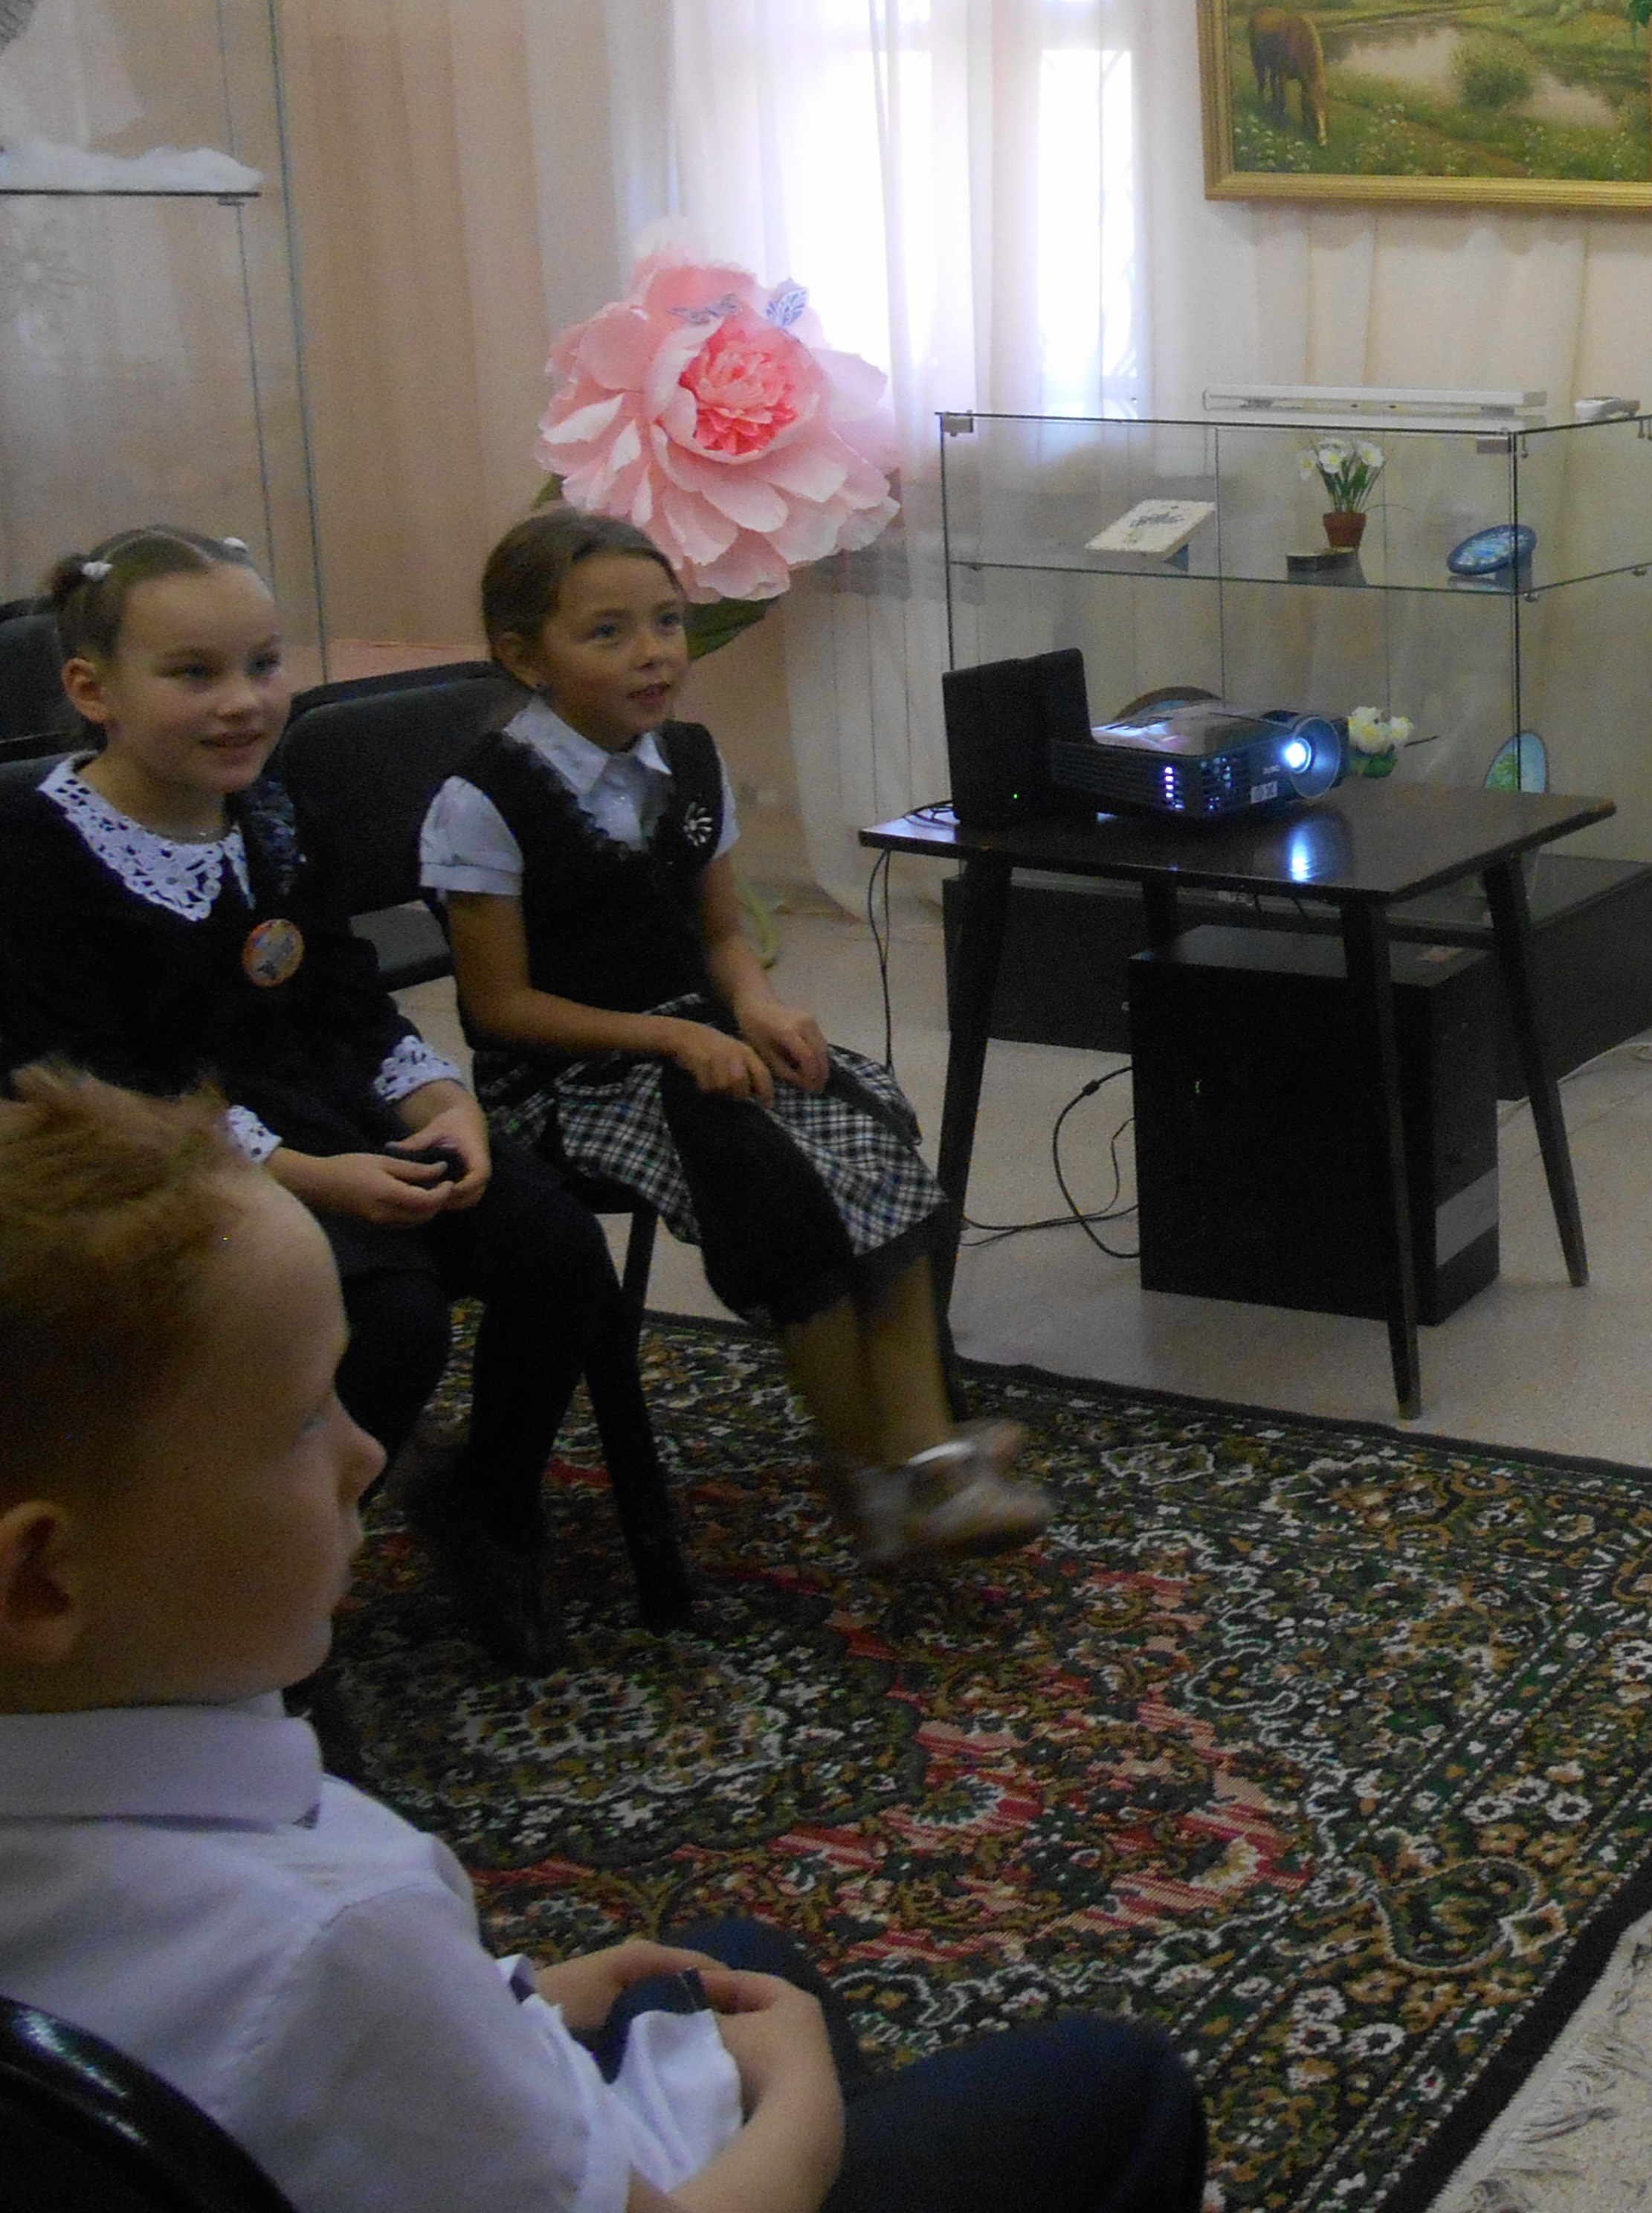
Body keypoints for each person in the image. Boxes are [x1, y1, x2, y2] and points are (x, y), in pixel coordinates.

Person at [0, 1063, 1205, 2213]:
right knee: (1119, 2085)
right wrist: (799, 2089)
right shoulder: (339, 1944)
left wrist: (506, 1999)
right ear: (43, 1583)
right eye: (304, 1421)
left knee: (733, 1952)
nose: (368, 1454)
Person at [0, 526, 615, 1673]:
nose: (243, 702)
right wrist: (306, 1177)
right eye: (194, 674)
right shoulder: (36, 856)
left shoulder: (276, 818)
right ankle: (273, 1574)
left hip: (316, 1122)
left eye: (264, 664)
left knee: (554, 1245)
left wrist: (438, 1101)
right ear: (93, 691)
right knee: (389, 1317)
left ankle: (488, 1502)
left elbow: (346, 998)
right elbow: (102, 1082)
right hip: (148, 1162)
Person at [427, 507, 1045, 1570]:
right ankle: (877, 1470)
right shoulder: (484, 800)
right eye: (609, 632)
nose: (653, 653)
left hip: (695, 1038)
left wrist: (755, 1004)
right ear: (526, 656)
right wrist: (670, 1043)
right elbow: (500, 1009)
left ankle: (925, 1451)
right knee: (771, 1178)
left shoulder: (691, 759)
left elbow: (721, 934)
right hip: (568, 1079)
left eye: (667, 622)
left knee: (867, 1126)